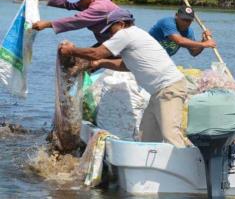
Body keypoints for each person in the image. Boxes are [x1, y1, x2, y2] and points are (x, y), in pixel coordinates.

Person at [59, 8, 188, 147]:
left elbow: (96, 53)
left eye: (111, 30)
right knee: (147, 137)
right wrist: (102, 63)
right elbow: (126, 65)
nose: (110, 34)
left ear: (121, 24)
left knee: (171, 135)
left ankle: (188, 166)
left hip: (169, 88)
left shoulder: (126, 34)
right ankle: (145, 166)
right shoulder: (134, 35)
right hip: (158, 92)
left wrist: (71, 50)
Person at [32, 0, 119, 45]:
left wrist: (47, 24)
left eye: (79, 0)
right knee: (80, 64)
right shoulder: (89, 1)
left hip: (120, 43)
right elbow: (67, 1)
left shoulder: (99, 7)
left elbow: (76, 20)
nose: (77, 3)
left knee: (82, 64)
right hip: (107, 41)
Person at [148, 6, 216, 56]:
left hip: (161, 60)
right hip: (145, 54)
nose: (186, 23)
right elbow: (179, 41)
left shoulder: (189, 32)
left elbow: (194, 52)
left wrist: (203, 41)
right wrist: (204, 44)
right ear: (176, 16)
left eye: (189, 21)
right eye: (183, 19)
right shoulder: (167, 22)